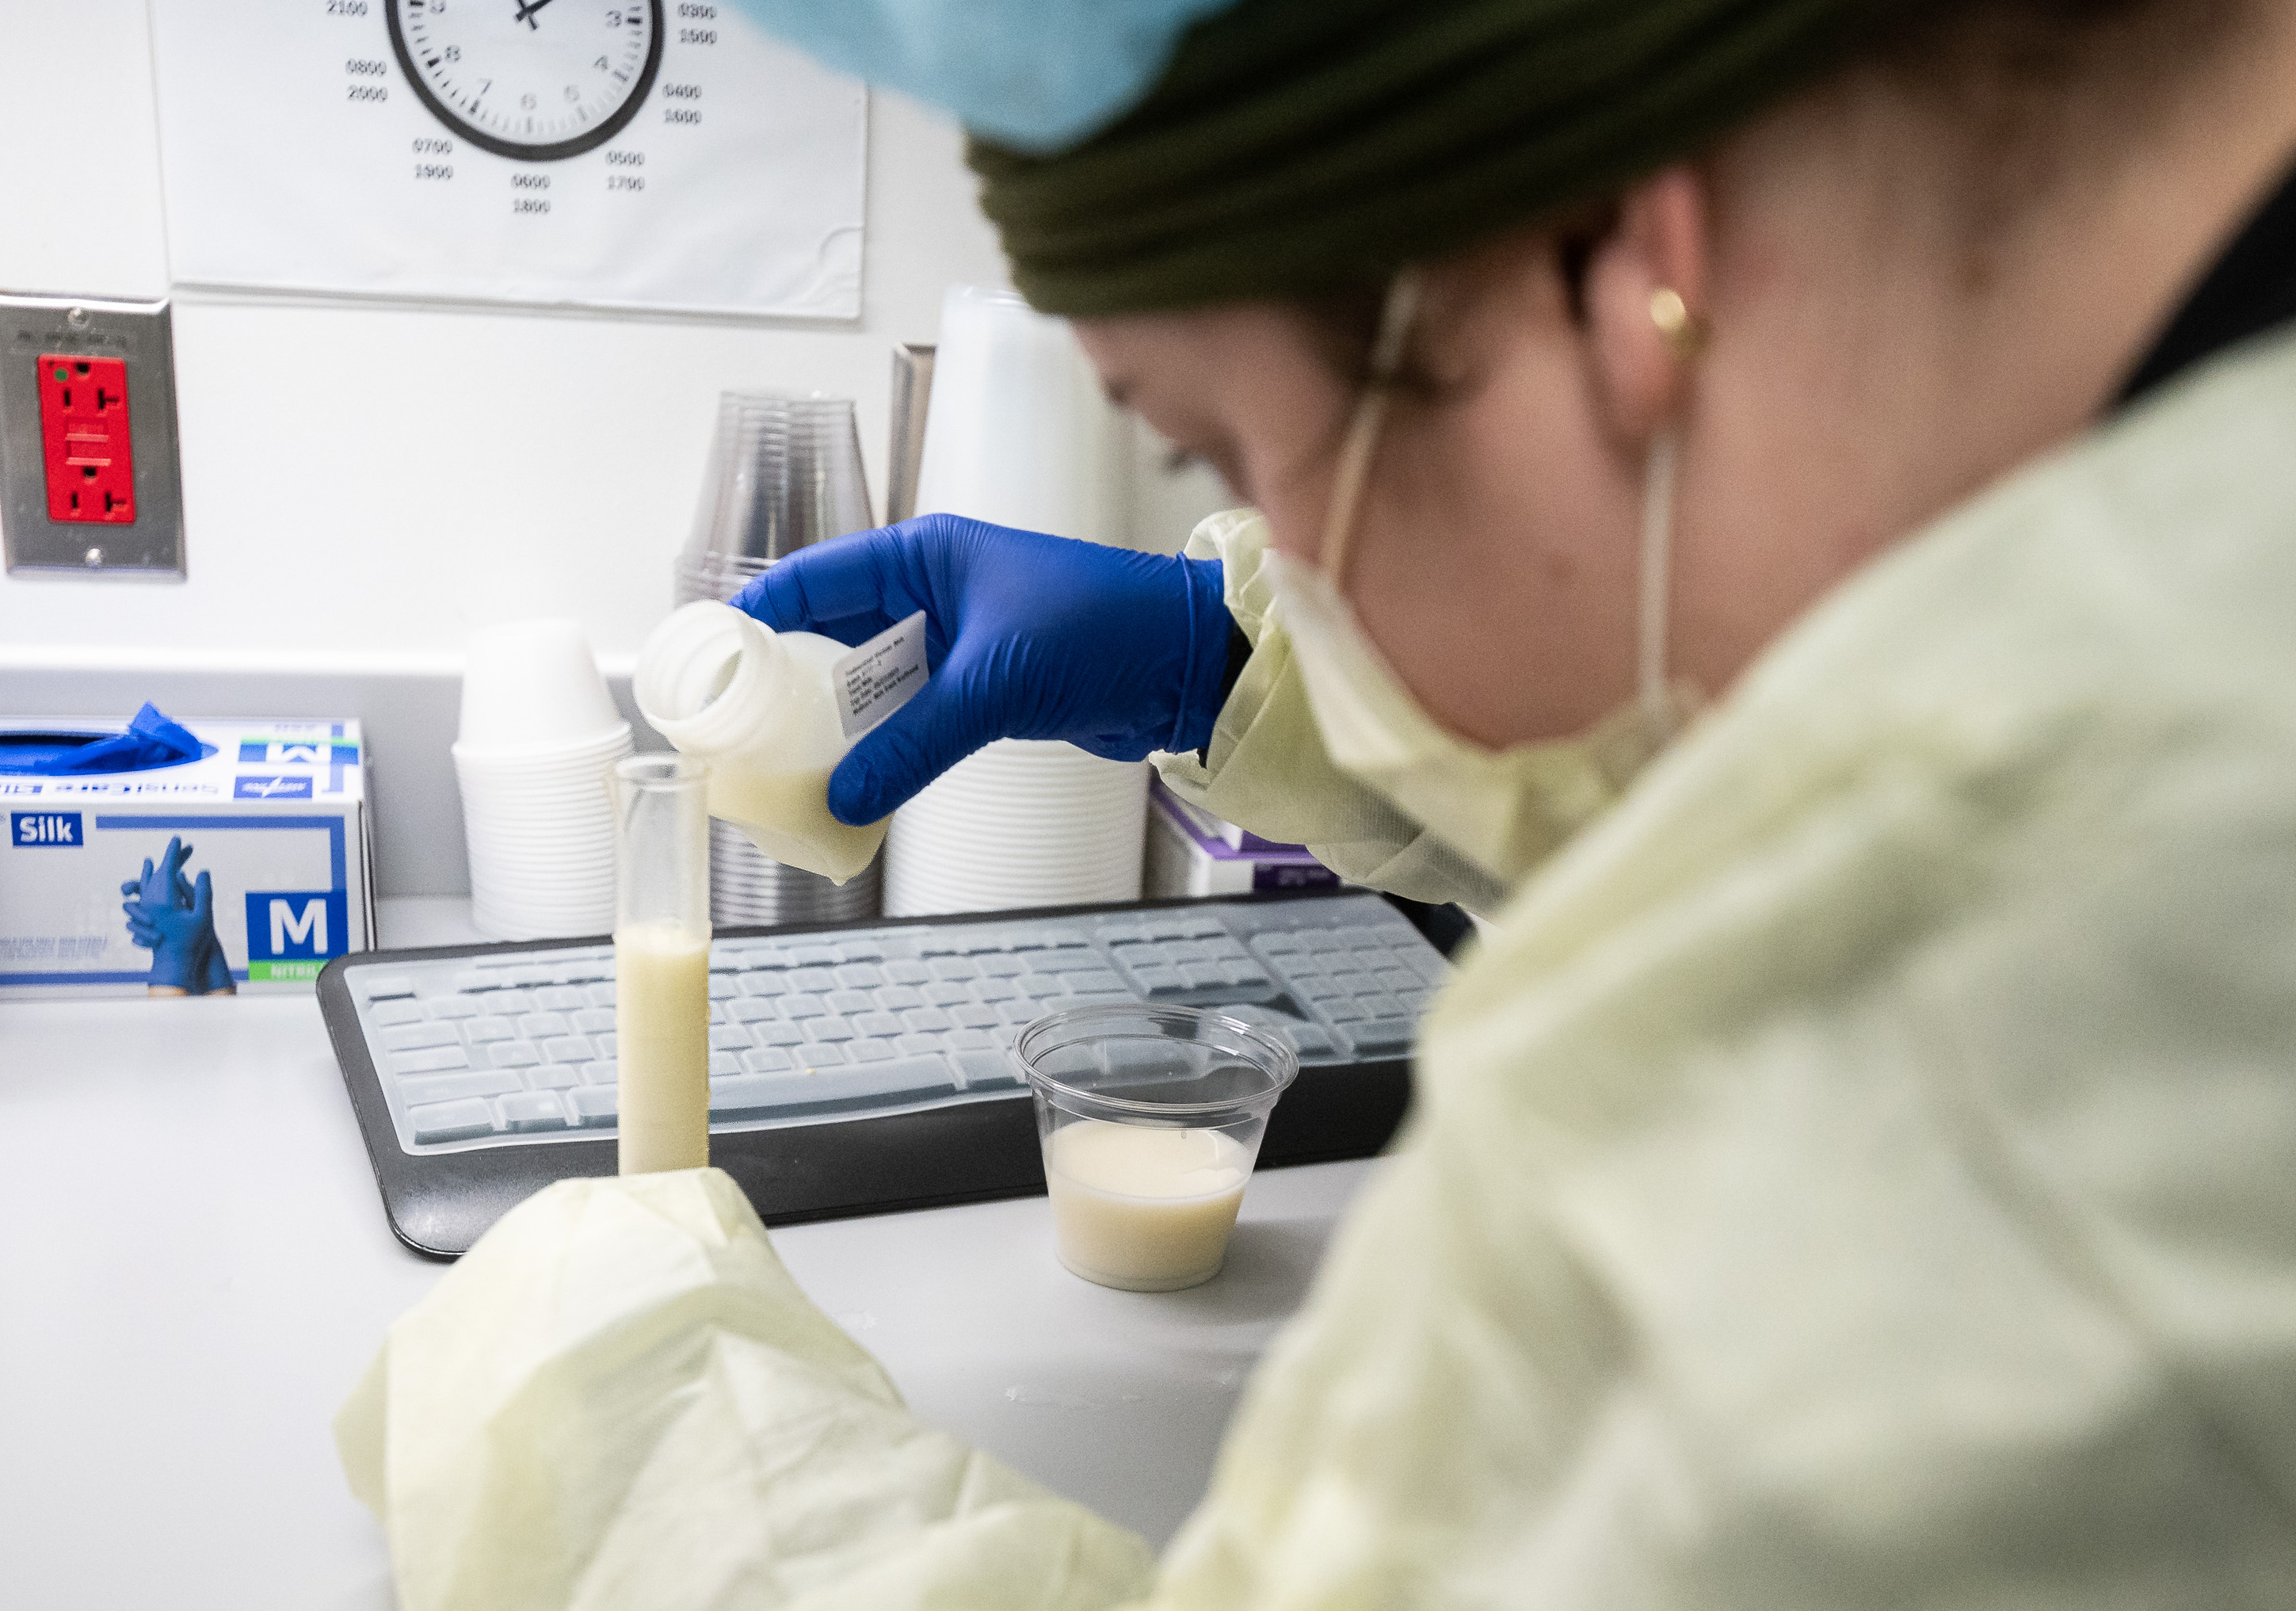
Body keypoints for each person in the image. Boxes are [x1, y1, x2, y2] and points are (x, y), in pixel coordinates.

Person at [342, 2, 2296, 1604]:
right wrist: (1231, 657)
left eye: (1242, 457)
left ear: (1623, 263)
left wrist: (633, 1421)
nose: (1270, 543)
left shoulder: (1967, 1038)